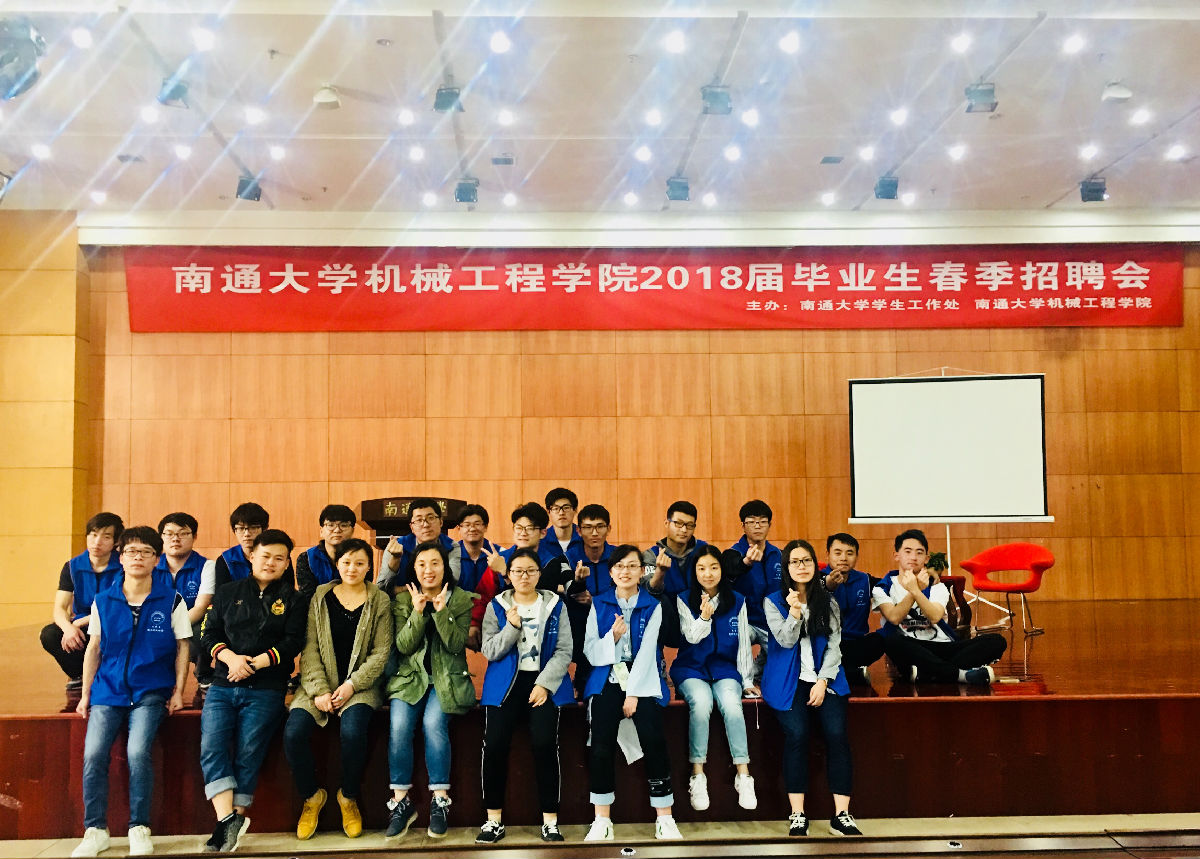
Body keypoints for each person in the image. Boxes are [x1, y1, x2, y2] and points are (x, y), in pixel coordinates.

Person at [72, 526, 190, 858]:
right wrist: (85, 694)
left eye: (145, 552)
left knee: (138, 752)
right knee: (93, 754)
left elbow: (183, 647)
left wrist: (179, 691)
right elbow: (94, 648)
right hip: (107, 690)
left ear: (156, 559)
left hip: (151, 691)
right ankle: (95, 830)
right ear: (120, 558)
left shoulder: (172, 599)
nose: (138, 558)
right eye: (131, 552)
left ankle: (139, 827)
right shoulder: (103, 600)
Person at [199, 529, 306, 853]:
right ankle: (227, 820)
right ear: (251, 556)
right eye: (265, 556)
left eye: (279, 558)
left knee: (249, 752)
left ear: (286, 564)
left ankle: (230, 824)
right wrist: (231, 658)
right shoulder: (227, 592)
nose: (271, 563)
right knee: (212, 747)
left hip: (266, 687)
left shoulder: (294, 599)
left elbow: (293, 642)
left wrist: (255, 663)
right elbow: (209, 633)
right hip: (223, 683)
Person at [285, 538, 393, 840]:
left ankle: (348, 796)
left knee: (353, 731)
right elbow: (309, 648)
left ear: (369, 567)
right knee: (293, 734)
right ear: (337, 564)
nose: (352, 568)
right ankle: (312, 796)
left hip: (360, 686)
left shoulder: (379, 600)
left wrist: (351, 686)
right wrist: (319, 690)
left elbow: (381, 652)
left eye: (360, 563)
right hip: (317, 684)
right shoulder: (320, 596)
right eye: (346, 562)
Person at [475, 547, 574, 844]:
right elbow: (490, 650)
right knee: (494, 746)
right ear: (509, 575)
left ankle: (550, 821)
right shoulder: (496, 606)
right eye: (517, 571)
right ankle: (493, 820)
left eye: (530, 571)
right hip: (505, 685)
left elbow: (564, 650)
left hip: (544, 683)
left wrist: (544, 684)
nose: (524, 576)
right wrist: (512, 627)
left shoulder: (555, 604)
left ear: (539, 574)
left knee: (545, 744)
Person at [582, 544, 681, 841]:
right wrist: (612, 637)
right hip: (606, 677)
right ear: (611, 572)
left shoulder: (653, 605)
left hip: (644, 679)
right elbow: (590, 650)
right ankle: (602, 819)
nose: (625, 571)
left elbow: (649, 652)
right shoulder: (599, 604)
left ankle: (665, 817)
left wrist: (634, 694)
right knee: (600, 744)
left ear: (642, 571)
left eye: (632, 566)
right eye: (619, 566)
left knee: (654, 739)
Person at [764, 539, 861, 838]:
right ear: (786, 567)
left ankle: (841, 815)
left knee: (836, 735)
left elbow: (834, 645)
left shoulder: (827, 601)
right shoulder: (773, 601)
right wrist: (794, 614)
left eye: (806, 560)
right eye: (795, 562)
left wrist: (822, 681)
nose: (802, 566)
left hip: (825, 678)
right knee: (797, 734)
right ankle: (797, 814)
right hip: (788, 680)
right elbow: (785, 641)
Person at [384, 541, 477, 840]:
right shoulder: (402, 600)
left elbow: (456, 644)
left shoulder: (460, 599)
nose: (428, 570)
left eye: (435, 563)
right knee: (399, 726)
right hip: (409, 679)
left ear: (444, 567)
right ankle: (401, 802)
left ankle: (440, 801)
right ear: (413, 568)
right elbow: (403, 646)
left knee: (433, 724)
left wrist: (441, 612)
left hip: (446, 679)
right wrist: (417, 612)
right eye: (422, 564)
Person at [672, 544, 758, 813]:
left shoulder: (738, 601)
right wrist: (704, 617)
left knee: (732, 705)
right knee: (701, 703)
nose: (708, 574)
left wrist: (746, 681)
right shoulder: (683, 598)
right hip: (691, 668)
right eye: (701, 568)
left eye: (713, 567)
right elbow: (691, 637)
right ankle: (698, 775)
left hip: (725, 669)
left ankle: (744, 775)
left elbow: (743, 644)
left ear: (722, 570)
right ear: (694, 572)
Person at [874, 529, 1007, 684]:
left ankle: (930, 673)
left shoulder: (937, 586)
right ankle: (960, 674)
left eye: (919, 552)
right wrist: (914, 590)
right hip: (913, 648)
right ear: (896, 555)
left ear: (926, 558)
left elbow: (935, 616)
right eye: (908, 551)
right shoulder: (883, 587)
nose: (913, 557)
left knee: (996, 641)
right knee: (891, 641)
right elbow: (894, 618)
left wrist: (916, 590)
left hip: (944, 646)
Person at [41, 512, 124, 692]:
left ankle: (108, 673)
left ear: (116, 542)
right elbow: (60, 608)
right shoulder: (72, 566)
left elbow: (117, 607)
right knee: (49, 634)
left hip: (112, 624)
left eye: (106, 537)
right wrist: (68, 628)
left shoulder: (124, 565)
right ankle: (79, 674)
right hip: (83, 627)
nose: (97, 542)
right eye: (93, 535)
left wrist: (78, 623)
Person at [721, 499, 782, 684]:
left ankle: (761, 665)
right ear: (743, 525)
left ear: (769, 525)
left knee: (784, 661)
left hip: (772, 623)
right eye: (752, 521)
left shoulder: (779, 554)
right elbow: (731, 568)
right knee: (741, 638)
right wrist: (746, 562)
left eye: (762, 521)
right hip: (744, 622)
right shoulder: (733, 553)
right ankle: (746, 682)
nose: (757, 526)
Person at [154, 513, 211, 687]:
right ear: (161, 537)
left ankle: (203, 673)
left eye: (183, 533)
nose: (175, 539)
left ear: (194, 536)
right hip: (155, 621)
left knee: (204, 630)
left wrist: (170, 627)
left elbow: (200, 607)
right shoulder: (151, 566)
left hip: (192, 622)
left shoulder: (207, 566)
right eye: (169, 534)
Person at [565, 503, 616, 693]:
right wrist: (577, 582)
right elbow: (567, 592)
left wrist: (595, 601)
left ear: (608, 528)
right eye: (588, 527)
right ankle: (583, 677)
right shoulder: (569, 558)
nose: (594, 533)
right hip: (580, 624)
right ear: (579, 531)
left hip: (613, 619)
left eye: (600, 526)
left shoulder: (619, 557)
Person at [822, 533, 885, 684]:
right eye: (838, 553)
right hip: (826, 644)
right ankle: (853, 674)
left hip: (855, 644)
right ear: (828, 554)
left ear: (857, 556)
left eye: (849, 553)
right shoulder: (817, 578)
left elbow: (894, 584)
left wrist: (930, 578)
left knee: (882, 639)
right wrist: (829, 584)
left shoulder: (865, 580)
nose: (843, 558)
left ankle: (840, 673)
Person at [643, 501, 708, 648]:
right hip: (669, 619)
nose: (684, 530)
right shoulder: (651, 555)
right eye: (678, 523)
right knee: (658, 601)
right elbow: (649, 591)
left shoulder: (704, 550)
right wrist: (660, 572)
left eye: (689, 525)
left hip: (699, 613)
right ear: (667, 523)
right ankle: (657, 655)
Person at [378, 498, 461, 593]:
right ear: (412, 527)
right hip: (401, 601)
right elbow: (381, 589)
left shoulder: (451, 546)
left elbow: (452, 582)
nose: (425, 525)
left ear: (441, 522)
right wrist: (395, 561)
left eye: (430, 518)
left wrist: (402, 589)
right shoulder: (397, 546)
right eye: (419, 520)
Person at [453, 504, 506, 652]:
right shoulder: (449, 555)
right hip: (458, 622)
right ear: (459, 528)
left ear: (485, 527)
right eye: (466, 525)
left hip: (494, 622)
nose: (472, 529)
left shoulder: (500, 555)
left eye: (477, 524)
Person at [500, 502, 572, 593]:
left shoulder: (551, 562)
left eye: (530, 528)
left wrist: (505, 574)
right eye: (519, 528)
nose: (523, 533)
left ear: (543, 533)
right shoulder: (500, 559)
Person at [295, 504, 357, 598]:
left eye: (343, 525)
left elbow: (362, 590)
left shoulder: (361, 557)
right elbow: (307, 597)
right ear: (321, 531)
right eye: (330, 525)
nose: (337, 530)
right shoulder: (306, 558)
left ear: (352, 531)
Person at [206, 503, 271, 590]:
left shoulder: (275, 556)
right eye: (241, 528)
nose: (246, 534)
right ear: (235, 530)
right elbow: (222, 594)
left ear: (264, 529)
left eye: (253, 528)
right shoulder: (225, 560)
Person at [544, 487, 583, 559]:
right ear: (548, 512)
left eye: (566, 508)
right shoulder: (541, 540)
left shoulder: (585, 538)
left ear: (575, 510)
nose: (561, 513)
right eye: (556, 508)